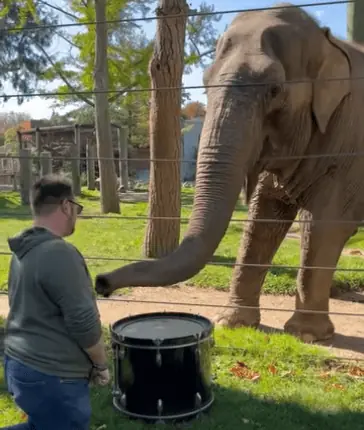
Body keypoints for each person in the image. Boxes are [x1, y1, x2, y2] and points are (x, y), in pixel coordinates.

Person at [2, 174, 110, 430]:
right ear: (65, 206)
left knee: (41, 425)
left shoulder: (24, 248)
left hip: (19, 364)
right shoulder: (59, 252)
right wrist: (101, 364)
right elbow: (83, 323)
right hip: (53, 375)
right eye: (77, 208)